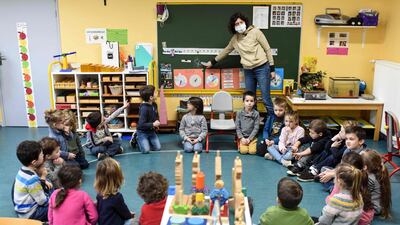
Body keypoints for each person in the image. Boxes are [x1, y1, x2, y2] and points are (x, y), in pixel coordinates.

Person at [202, 12, 276, 121]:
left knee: (265, 99)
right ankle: (253, 123)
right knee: (250, 99)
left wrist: (272, 69)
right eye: (236, 24)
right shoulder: (235, 39)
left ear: (245, 22)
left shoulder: (256, 32)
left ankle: (274, 122)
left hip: (262, 67)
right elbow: (225, 51)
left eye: (241, 22)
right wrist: (211, 63)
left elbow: (268, 49)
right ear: (233, 27)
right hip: (248, 70)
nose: (240, 25)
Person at [325, 152, 374, 225]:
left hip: (354, 220)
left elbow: (330, 201)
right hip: (366, 218)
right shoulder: (363, 177)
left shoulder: (341, 184)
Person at [13, 141, 50, 221]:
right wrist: (53, 200)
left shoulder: (22, 170)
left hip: (21, 209)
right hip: (31, 214)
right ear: (34, 162)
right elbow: (42, 201)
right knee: (58, 206)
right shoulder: (32, 179)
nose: (43, 155)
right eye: (41, 155)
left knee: (50, 189)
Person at [94, 158, 134, 225]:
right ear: (118, 177)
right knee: (132, 220)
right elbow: (126, 215)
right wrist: (130, 214)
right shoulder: (117, 197)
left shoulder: (99, 195)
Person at [361, 149, 392, 220]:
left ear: (364, 167)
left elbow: (363, 195)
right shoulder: (376, 173)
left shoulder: (370, 179)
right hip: (377, 205)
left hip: (374, 208)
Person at [137, 85, 162, 153]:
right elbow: (141, 125)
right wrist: (153, 124)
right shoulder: (144, 108)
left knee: (158, 148)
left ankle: (147, 141)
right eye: (155, 93)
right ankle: (136, 139)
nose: (157, 93)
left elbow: (156, 115)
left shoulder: (154, 104)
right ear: (151, 97)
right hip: (142, 132)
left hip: (151, 131)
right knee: (146, 150)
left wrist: (157, 121)